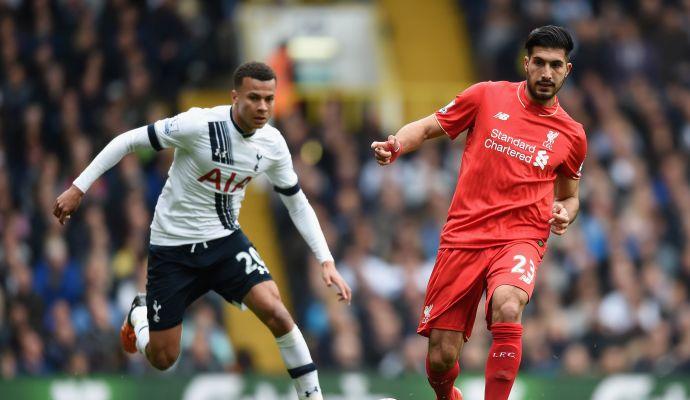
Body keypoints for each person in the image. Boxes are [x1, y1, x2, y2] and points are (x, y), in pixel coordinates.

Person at [53, 61, 351, 400]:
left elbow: (296, 202)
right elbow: (128, 141)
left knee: (276, 311)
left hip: (224, 240)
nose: (263, 107)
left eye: (269, 99)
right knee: (163, 358)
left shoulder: (273, 144)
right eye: (254, 98)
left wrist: (326, 260)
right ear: (235, 96)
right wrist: (79, 187)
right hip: (173, 247)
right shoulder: (198, 124)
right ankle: (139, 314)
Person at [371, 26, 586, 400]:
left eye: (555, 65)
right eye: (539, 62)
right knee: (441, 358)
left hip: (521, 237)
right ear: (526, 63)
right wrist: (396, 145)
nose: (546, 73)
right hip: (464, 236)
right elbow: (425, 128)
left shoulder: (572, 135)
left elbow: (570, 196)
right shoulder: (486, 96)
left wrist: (565, 213)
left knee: (508, 302)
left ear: (567, 69)